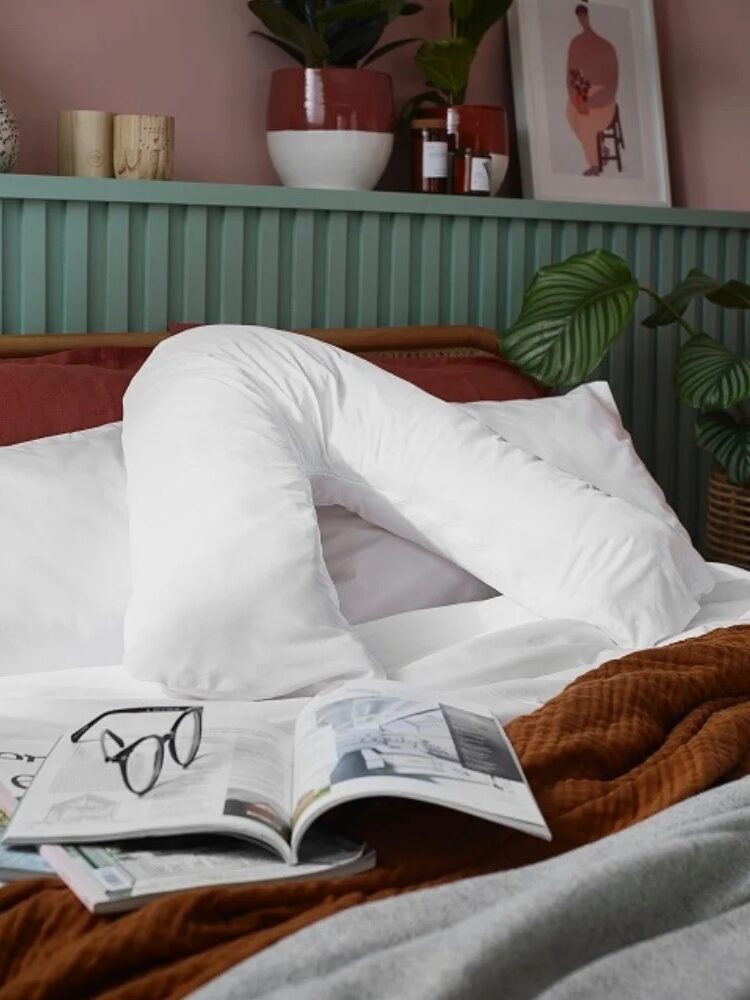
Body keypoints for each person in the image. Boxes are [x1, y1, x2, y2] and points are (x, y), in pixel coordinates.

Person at [566, 3, 619, 176]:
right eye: (580, 17)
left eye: (585, 16)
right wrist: (577, 99)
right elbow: (571, 74)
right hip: (584, 94)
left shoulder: (607, 47)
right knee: (570, 111)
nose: (583, 20)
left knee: (585, 120)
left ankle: (595, 163)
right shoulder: (576, 43)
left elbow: (612, 84)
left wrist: (592, 102)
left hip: (604, 101)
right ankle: (600, 149)